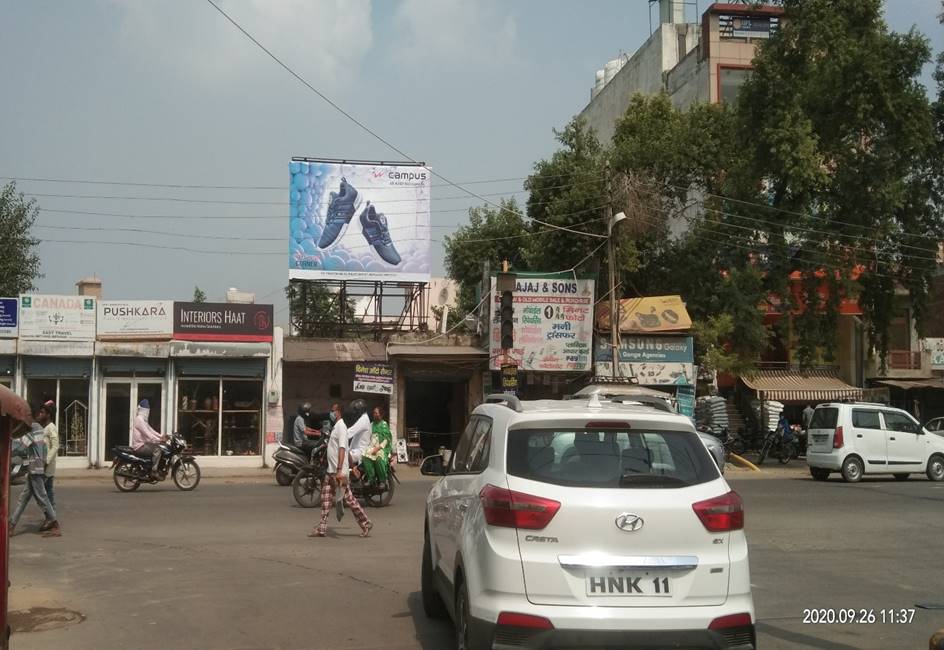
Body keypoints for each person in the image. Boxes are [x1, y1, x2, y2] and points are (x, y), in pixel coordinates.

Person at [309, 403, 372, 538]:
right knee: (326, 498)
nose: (331, 413)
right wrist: (353, 466)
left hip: (338, 472)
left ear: (338, 412)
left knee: (349, 499)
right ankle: (322, 528)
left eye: (332, 411)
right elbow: (343, 450)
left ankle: (366, 522)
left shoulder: (341, 427)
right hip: (330, 471)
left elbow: (343, 449)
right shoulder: (336, 427)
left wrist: (339, 470)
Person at [9, 406, 61, 537]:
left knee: (42, 496)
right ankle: (12, 524)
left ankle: (54, 523)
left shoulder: (33, 428)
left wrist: (7, 447)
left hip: (36, 469)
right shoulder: (39, 428)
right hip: (37, 468)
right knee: (24, 498)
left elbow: (20, 447)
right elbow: (40, 448)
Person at [132, 399, 165, 479]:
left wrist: (160, 436)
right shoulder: (139, 420)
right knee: (158, 449)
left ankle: (151, 467)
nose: (148, 412)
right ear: (144, 410)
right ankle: (153, 471)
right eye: (147, 410)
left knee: (158, 447)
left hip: (143, 444)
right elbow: (147, 434)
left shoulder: (143, 420)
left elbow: (150, 430)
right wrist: (159, 440)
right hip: (139, 446)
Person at [362, 406, 392, 485]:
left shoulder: (384, 424)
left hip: (382, 448)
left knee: (379, 458)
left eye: (376, 413)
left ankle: (382, 480)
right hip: (372, 446)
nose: (374, 415)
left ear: (381, 415)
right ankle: (370, 477)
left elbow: (387, 439)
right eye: (374, 413)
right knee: (364, 455)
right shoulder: (371, 424)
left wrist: (378, 448)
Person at [38, 400, 59, 510]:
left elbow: (55, 446)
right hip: (43, 466)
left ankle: (51, 517)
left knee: (45, 493)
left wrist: (46, 461)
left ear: (48, 414)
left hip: (47, 467)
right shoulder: (44, 427)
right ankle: (51, 516)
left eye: (42, 412)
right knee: (47, 492)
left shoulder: (51, 427)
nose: (39, 414)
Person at [346, 399, 372, 480]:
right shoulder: (363, 418)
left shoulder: (363, 420)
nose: (354, 412)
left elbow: (351, 431)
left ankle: (353, 472)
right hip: (356, 449)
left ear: (360, 410)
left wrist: (339, 435)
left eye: (355, 410)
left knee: (343, 456)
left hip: (360, 451)